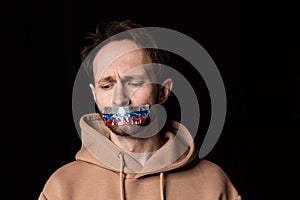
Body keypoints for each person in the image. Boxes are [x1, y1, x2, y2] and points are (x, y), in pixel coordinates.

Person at [38, 20, 241, 200]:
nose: (119, 100)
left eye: (134, 82)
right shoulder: (62, 187)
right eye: (106, 86)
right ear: (94, 95)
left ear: (162, 91)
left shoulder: (213, 183)